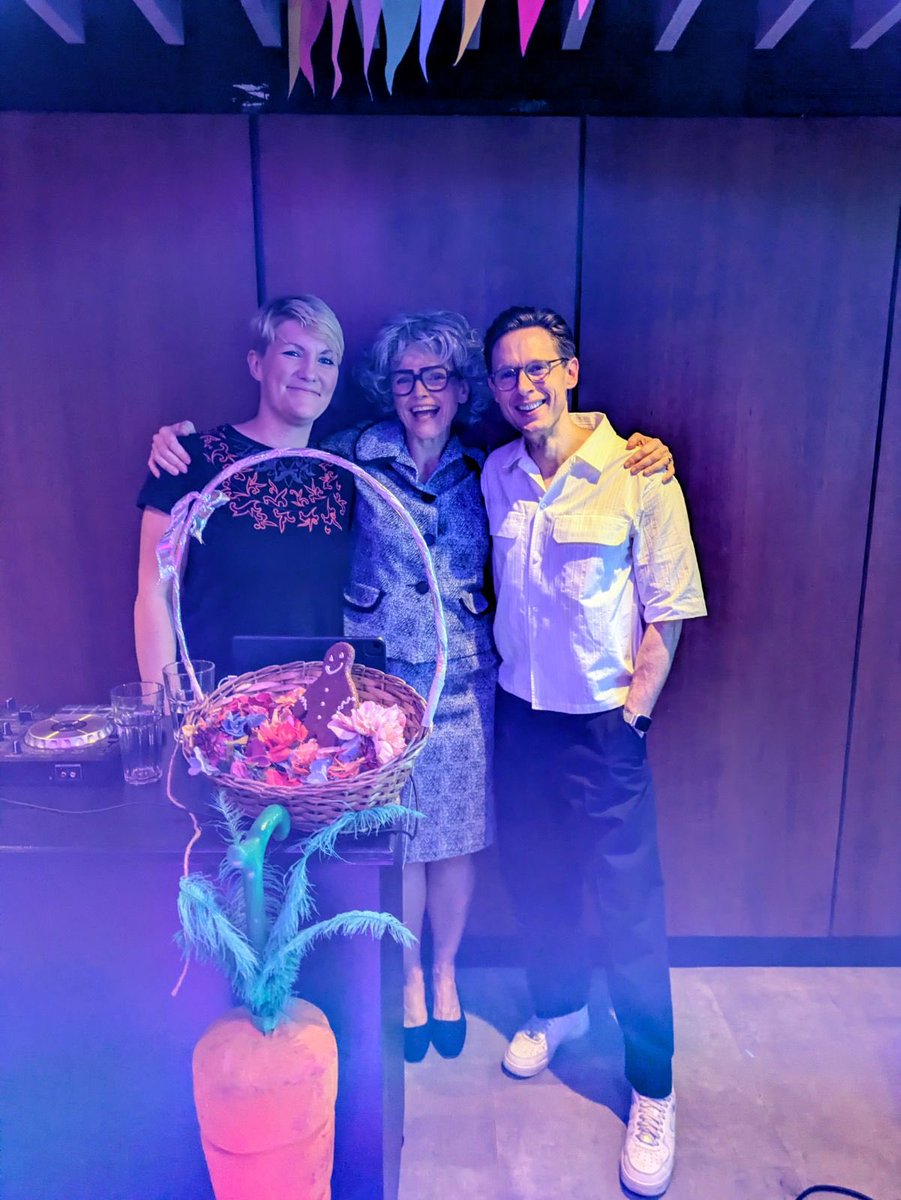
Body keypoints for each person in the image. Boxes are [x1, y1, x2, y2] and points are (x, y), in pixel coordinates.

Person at [145, 308, 675, 1066]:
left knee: (454, 841)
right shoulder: (353, 456)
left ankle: (446, 973)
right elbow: (269, 457)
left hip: (465, 683)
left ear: (462, 388)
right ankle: (406, 979)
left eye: (435, 377)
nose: (419, 392)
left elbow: (573, 459)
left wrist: (643, 453)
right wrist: (182, 445)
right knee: (397, 843)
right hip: (378, 690)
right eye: (403, 379)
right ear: (385, 389)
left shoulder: (487, 467)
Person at [480, 306, 706, 1197]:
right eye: (504, 374)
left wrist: (633, 717)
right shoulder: (495, 473)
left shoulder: (639, 474)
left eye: (537, 368)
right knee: (533, 876)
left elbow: (671, 606)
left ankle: (654, 1087)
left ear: (571, 370)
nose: (522, 386)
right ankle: (562, 1008)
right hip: (517, 717)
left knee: (627, 905)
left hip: (602, 725)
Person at [135, 295, 353, 687]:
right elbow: (154, 594)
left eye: (326, 359)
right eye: (292, 353)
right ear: (256, 363)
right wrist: (162, 707)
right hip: (217, 709)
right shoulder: (189, 460)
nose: (310, 371)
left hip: (315, 716)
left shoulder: (342, 475)